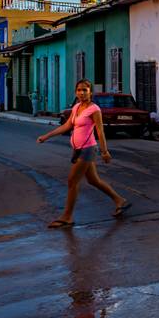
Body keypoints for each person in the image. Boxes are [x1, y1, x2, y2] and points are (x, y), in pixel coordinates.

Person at [37, 79, 131, 228]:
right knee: (94, 181)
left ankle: (67, 216)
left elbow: (100, 131)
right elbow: (67, 125)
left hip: (87, 149)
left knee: (72, 181)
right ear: (76, 92)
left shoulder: (94, 110)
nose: (82, 93)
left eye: (85, 90)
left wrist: (105, 151)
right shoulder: (76, 108)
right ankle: (120, 200)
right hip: (78, 149)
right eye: (79, 90)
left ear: (90, 92)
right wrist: (47, 136)